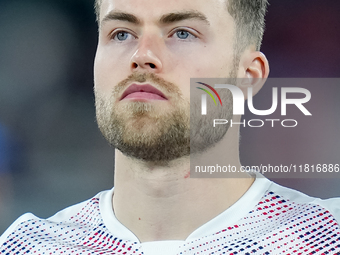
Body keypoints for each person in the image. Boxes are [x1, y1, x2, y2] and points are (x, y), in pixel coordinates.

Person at [1, 0, 340, 254]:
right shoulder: (29, 247)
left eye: (182, 32)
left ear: (247, 77)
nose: (143, 54)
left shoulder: (325, 238)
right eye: (121, 33)